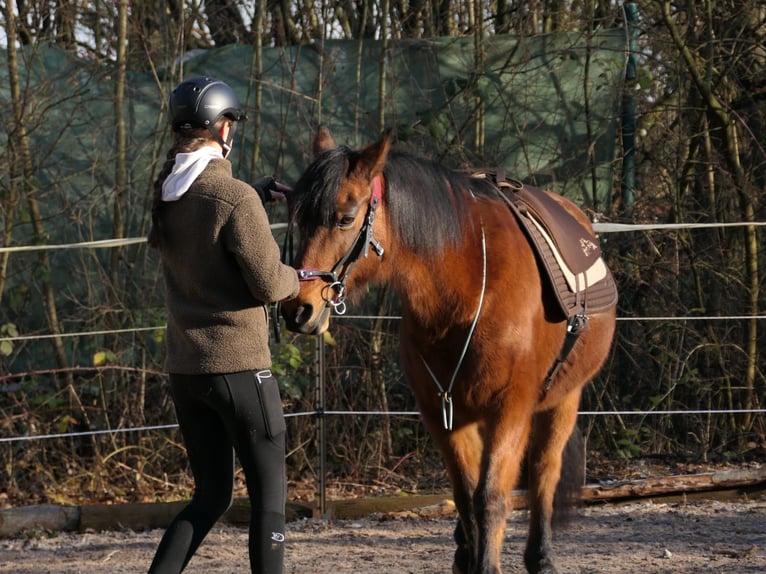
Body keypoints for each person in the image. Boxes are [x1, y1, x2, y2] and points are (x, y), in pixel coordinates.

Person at [146, 75, 299, 574]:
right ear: (222, 127)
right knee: (269, 504)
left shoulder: (168, 194)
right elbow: (270, 285)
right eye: (231, 121)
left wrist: (250, 196)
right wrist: (304, 277)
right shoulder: (234, 199)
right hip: (240, 370)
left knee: (209, 498)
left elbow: (202, 227)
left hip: (187, 374)